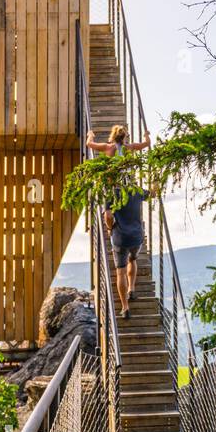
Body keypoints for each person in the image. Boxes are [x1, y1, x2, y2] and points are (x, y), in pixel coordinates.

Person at [86, 124, 151, 245]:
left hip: (112, 186)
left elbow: (89, 144)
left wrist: (90, 135)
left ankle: (110, 229)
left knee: (108, 211)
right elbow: (146, 143)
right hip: (127, 185)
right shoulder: (130, 147)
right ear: (124, 136)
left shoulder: (108, 147)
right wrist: (146, 135)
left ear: (112, 136)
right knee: (126, 206)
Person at [109, 185, 149, 319]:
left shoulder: (112, 193)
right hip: (136, 237)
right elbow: (153, 193)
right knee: (133, 259)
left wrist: (110, 228)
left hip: (120, 238)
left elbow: (108, 215)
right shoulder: (137, 191)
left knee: (121, 271)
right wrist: (156, 179)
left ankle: (125, 307)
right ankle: (131, 289)